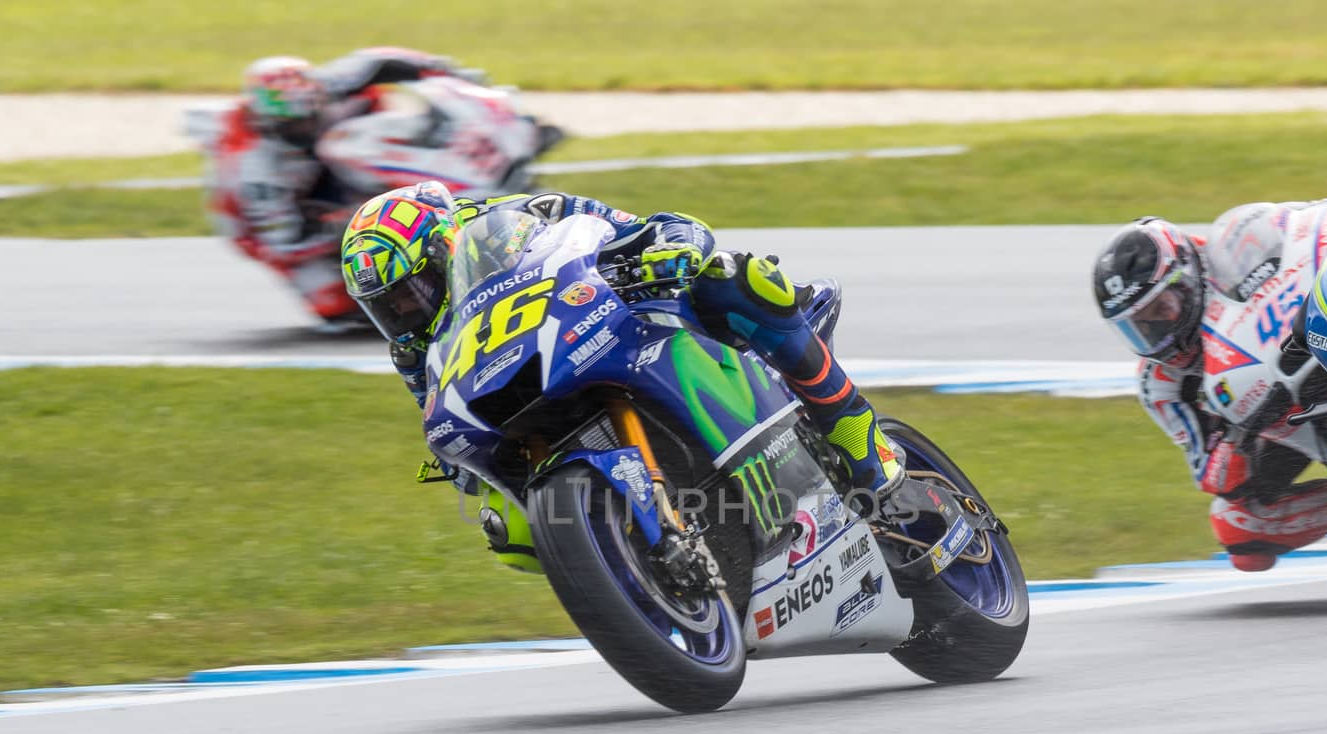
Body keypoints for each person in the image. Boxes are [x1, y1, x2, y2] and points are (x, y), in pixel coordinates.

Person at [338, 182, 905, 559]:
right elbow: (438, 402)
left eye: (414, 290)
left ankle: (859, 440)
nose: (406, 310)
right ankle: (636, 564)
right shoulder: (413, 348)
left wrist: (671, 248)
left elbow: (651, 225)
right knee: (508, 531)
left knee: (740, 278)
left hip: (618, 315)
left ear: (443, 250)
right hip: (531, 382)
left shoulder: (519, 216)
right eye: (388, 306)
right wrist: (459, 465)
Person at [1091, 205, 1327, 571]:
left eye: (1162, 310)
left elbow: (1314, 222)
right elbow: (1213, 474)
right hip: (1272, 426)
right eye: (1139, 327)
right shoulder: (1160, 385)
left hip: (1309, 344)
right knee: (1238, 529)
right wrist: (1240, 433)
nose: (1158, 333)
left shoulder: (1235, 244)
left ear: (1185, 279)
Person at [202, 47, 488, 328]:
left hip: (319, 172)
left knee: (348, 137)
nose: (306, 128)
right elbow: (284, 242)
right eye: (293, 124)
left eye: (310, 116)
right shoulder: (255, 171)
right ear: (265, 121)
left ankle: (450, 173)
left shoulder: (319, 87)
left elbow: (380, 60)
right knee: (339, 301)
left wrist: (445, 71)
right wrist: (345, 225)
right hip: (274, 230)